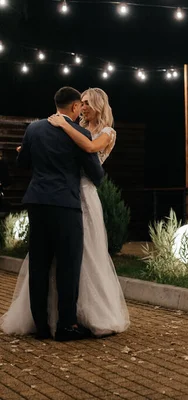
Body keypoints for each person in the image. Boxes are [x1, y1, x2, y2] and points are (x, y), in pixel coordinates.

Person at [1, 87, 130, 340]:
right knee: (69, 265)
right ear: (74, 107)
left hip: (38, 202)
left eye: (87, 104)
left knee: (39, 264)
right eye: (80, 104)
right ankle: (66, 325)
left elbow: (23, 163)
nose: (83, 108)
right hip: (68, 202)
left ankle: (40, 325)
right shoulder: (78, 133)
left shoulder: (35, 129)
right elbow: (96, 174)